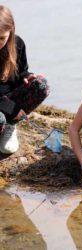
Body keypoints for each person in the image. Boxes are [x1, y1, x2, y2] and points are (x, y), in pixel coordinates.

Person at [0, 5, 49, 154]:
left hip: (11, 97)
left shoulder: (18, 44)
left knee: (41, 85)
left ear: (11, 30)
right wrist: (11, 108)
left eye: (1, 38)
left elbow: (22, 72)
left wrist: (27, 77)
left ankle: (10, 125)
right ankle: (3, 122)